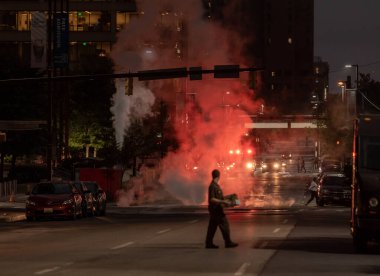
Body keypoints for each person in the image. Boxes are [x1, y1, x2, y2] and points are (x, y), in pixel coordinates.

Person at [205, 169, 238, 249]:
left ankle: (209, 243)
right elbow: (212, 199)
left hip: (215, 210)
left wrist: (229, 198)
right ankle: (228, 242)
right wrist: (223, 201)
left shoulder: (215, 185)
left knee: (212, 227)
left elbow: (219, 197)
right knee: (225, 225)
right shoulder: (213, 186)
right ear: (218, 176)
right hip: (216, 210)